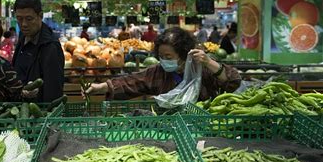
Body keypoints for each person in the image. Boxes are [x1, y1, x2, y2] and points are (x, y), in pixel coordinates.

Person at [85, 27, 241, 101]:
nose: (164, 60)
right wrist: (101, 87)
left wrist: (209, 62)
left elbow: (233, 81)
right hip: (169, 128)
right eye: (160, 56)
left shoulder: (202, 70)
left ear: (183, 53)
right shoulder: (159, 72)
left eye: (168, 56)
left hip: (204, 128)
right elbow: (132, 81)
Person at [12, 0, 65, 102]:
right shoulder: (23, 37)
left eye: (29, 19)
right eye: (19, 19)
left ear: (40, 16)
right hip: (22, 111)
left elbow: (54, 91)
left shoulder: (50, 47)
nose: (24, 24)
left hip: (40, 114)